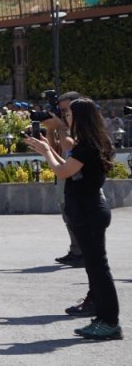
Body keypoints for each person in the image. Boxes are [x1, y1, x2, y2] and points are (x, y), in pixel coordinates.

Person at [25, 98, 121, 341]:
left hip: (89, 210)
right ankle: (103, 318)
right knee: (96, 267)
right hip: (88, 209)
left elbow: (63, 172)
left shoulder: (86, 145)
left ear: (80, 117)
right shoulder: (91, 142)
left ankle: (109, 321)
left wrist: (46, 151)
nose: (66, 118)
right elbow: (67, 169)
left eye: (69, 115)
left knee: (99, 269)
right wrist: (47, 148)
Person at [45, 92, 85, 268]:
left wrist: (60, 127)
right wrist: (50, 130)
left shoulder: (82, 129)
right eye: (61, 111)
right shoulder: (64, 126)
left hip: (77, 180)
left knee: (75, 216)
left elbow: (68, 146)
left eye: (66, 110)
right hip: (64, 176)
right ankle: (76, 250)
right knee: (67, 215)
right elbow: (54, 149)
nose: (64, 114)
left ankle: (82, 252)